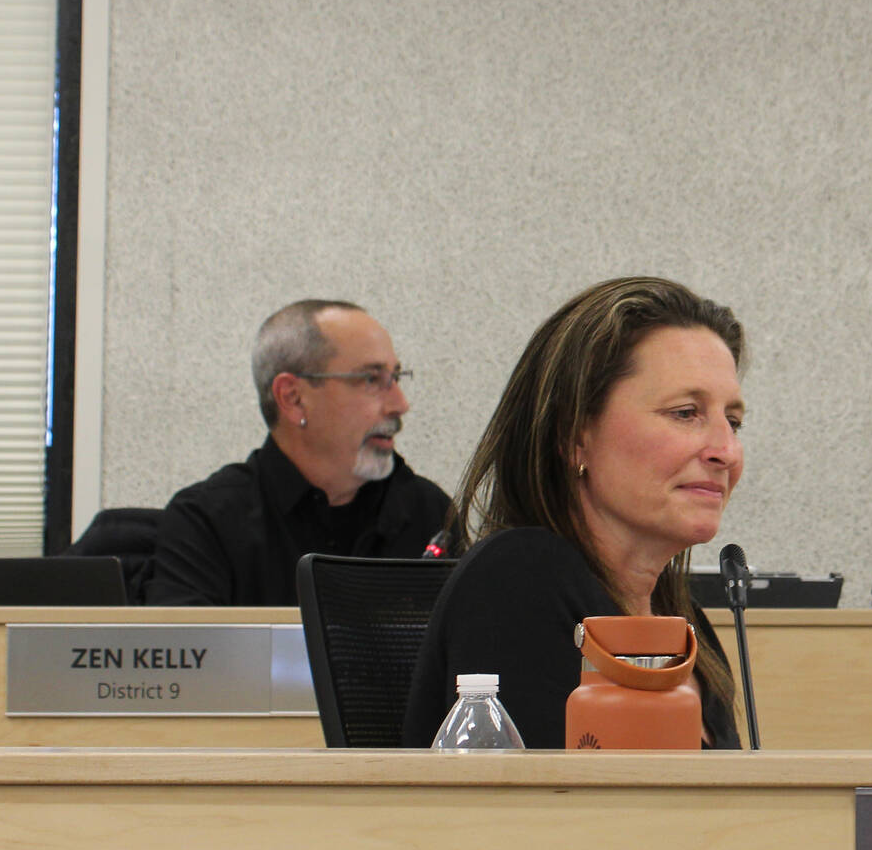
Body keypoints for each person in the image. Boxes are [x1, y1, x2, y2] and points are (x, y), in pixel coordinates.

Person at [401, 277, 745, 749]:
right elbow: (548, 816)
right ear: (574, 434)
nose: (726, 450)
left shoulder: (684, 625)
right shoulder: (518, 580)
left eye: (734, 421)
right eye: (686, 412)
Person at [146, 300, 450, 607]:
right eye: (371, 379)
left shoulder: (429, 513)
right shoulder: (206, 523)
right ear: (292, 398)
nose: (400, 404)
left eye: (396, 377)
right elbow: (194, 654)